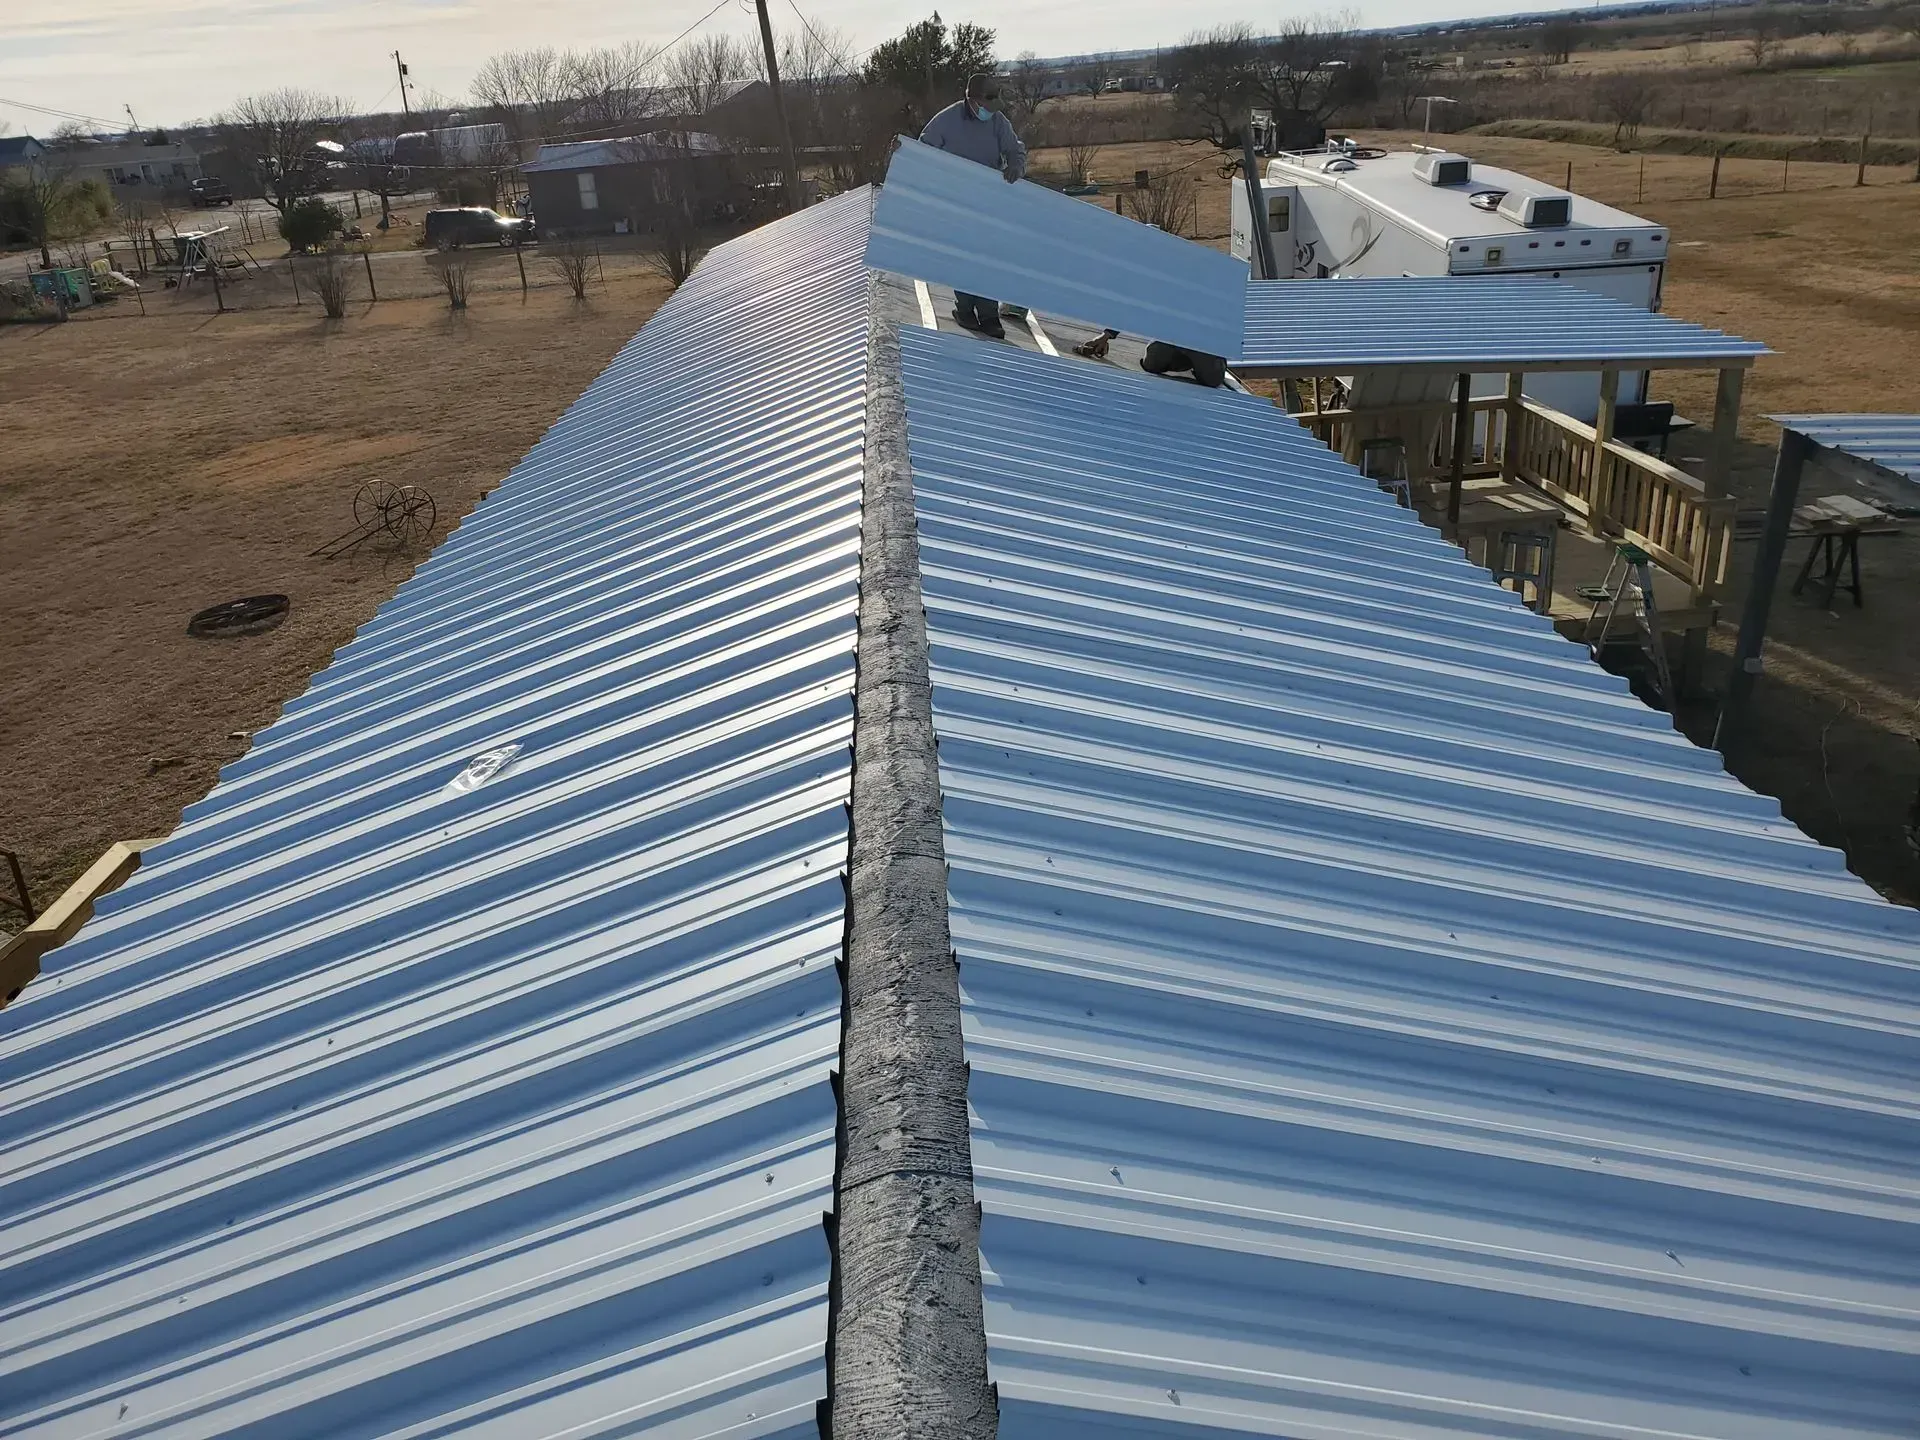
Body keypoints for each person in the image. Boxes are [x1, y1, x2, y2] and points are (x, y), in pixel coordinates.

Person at [920, 72, 1026, 338]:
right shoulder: (946, 121)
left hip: (987, 201)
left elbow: (1014, 149)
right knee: (962, 256)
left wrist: (1015, 165)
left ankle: (989, 316)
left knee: (986, 257)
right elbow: (922, 151)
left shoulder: (997, 121)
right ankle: (965, 309)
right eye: (986, 106)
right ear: (973, 100)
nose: (990, 111)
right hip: (955, 200)